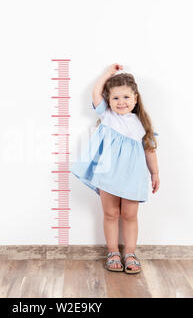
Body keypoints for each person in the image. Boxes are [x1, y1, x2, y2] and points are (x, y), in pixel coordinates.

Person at [70, 63, 160, 274]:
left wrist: (155, 173)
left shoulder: (141, 124)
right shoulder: (108, 116)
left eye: (126, 97)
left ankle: (130, 253)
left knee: (129, 215)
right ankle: (112, 252)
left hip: (132, 177)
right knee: (110, 213)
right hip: (108, 174)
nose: (121, 102)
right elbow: (95, 92)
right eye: (116, 98)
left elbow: (150, 151)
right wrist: (107, 74)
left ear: (135, 99)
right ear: (109, 101)